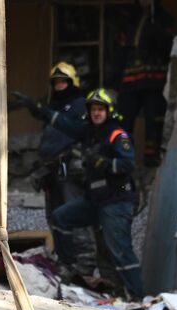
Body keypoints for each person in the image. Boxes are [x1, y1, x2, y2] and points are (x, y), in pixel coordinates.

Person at [42, 89, 143, 299]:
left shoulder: (118, 134)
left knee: (120, 251)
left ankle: (138, 297)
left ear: (109, 111)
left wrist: (102, 163)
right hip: (95, 200)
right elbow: (65, 124)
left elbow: (128, 164)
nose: (96, 113)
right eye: (93, 109)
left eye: (100, 109)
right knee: (60, 217)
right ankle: (68, 266)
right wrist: (39, 110)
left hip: (117, 200)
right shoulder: (88, 131)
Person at [12, 63, 96, 280]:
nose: (59, 86)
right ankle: (66, 262)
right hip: (52, 173)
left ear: (72, 82)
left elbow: (83, 135)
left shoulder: (80, 106)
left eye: (63, 81)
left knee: (73, 216)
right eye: (56, 82)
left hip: (70, 172)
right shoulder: (54, 108)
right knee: (55, 218)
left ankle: (85, 264)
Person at [111, 0, 175, 167]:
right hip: (130, 80)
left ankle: (151, 160)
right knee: (124, 120)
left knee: (154, 120)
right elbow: (120, 52)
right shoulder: (131, 20)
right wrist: (115, 79)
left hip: (153, 80)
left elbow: (169, 46)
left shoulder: (163, 19)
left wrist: (156, 33)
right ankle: (122, 158)